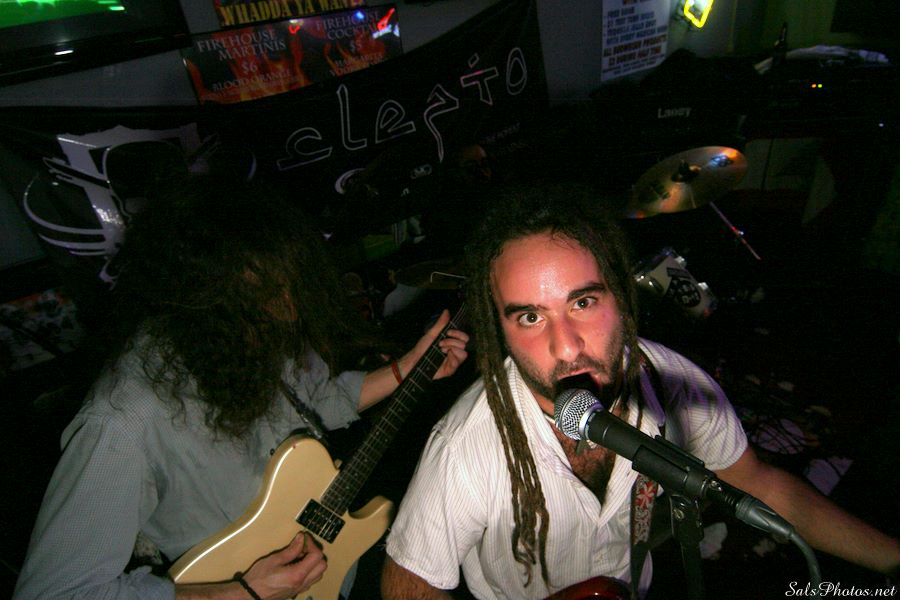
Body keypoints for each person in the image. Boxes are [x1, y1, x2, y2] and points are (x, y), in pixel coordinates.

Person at [381, 183, 900, 599]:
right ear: (500, 331)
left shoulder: (676, 387)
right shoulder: (466, 447)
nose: (566, 346)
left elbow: (761, 484)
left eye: (583, 303)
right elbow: (408, 582)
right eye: (531, 317)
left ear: (621, 298)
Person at [12, 175, 469, 600]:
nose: (290, 306)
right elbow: (55, 593)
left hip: (332, 571)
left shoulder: (253, 334)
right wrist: (244, 593)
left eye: (288, 284)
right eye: (267, 293)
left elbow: (318, 403)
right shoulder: (124, 419)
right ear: (202, 299)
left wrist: (406, 369)